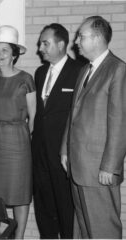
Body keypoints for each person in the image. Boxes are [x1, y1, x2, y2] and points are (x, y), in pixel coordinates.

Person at [60, 16, 126, 238]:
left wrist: (111, 166)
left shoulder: (118, 70)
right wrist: (64, 149)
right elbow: (74, 113)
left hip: (100, 169)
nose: (76, 41)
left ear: (97, 38)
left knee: (103, 229)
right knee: (82, 228)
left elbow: (120, 121)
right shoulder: (84, 70)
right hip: (78, 166)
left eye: (81, 36)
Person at [0, 25, 36, 239]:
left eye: (4, 50)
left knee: (20, 193)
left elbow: (33, 116)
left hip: (18, 141)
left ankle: (19, 236)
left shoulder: (26, 79)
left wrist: (28, 143)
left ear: (14, 54)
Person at [31, 23, 83, 239]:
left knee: (65, 207)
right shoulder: (40, 72)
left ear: (61, 44)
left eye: (45, 43)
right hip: (40, 153)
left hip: (63, 155)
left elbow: (79, 115)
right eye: (40, 43)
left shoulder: (79, 71)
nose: (40, 48)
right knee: (44, 207)